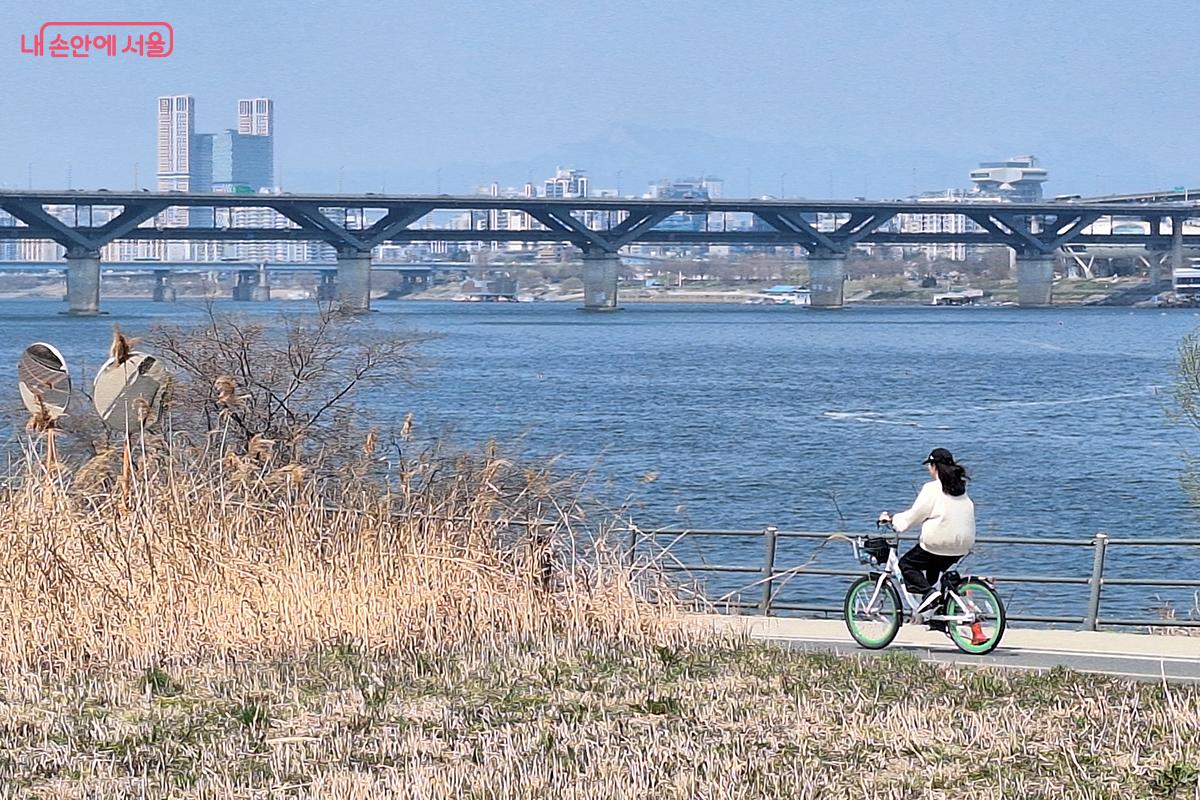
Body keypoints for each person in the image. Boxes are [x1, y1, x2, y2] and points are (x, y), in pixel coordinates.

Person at [877, 448, 975, 622]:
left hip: (938, 542)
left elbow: (915, 515)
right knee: (933, 568)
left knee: (906, 565)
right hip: (962, 544)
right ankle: (936, 613)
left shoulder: (932, 488)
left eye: (929, 465)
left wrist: (893, 520)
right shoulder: (960, 488)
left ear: (934, 466)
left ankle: (929, 594)